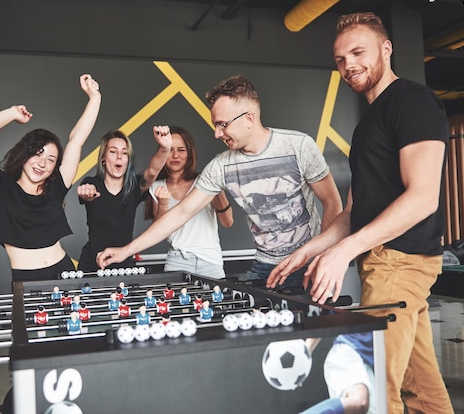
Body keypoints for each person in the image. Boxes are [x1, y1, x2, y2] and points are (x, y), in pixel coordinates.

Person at [267, 12, 453, 413]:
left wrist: (343, 252)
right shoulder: (367, 125)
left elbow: (423, 198)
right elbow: (354, 213)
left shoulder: (413, 101)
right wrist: (311, 251)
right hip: (384, 264)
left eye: (358, 52)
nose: (349, 64)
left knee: (374, 395)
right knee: (422, 392)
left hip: (399, 263)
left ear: (386, 49)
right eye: (340, 59)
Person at [96, 75, 342, 290]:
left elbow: (332, 202)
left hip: (308, 263)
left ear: (249, 118)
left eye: (222, 124)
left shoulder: (298, 145)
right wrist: (125, 250)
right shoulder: (221, 165)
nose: (217, 133)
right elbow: (180, 213)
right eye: (216, 125)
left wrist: (324, 256)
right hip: (264, 266)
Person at [0, 74, 101, 282]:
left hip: (65, 272)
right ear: (25, 153)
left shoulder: (57, 187)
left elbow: (77, 140)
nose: (42, 163)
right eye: (38, 153)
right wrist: (12, 113)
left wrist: (95, 97)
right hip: (27, 280)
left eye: (51, 159)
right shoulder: (0, 187)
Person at [76, 127, 172, 272]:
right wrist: (86, 193)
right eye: (113, 152)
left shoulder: (134, 186)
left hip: (124, 265)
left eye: (124, 153)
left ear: (128, 160)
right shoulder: (92, 183)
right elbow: (86, 192)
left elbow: (153, 171)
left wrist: (165, 148)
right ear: (103, 158)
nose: (119, 156)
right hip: (91, 265)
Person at [145, 126, 233, 278]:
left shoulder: (204, 181)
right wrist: (164, 204)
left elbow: (228, 222)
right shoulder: (157, 186)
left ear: (190, 153)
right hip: (177, 261)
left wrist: (218, 190)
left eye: (181, 150)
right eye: (170, 150)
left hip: (211, 261)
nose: (175, 155)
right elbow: (158, 232)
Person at [301, 333, 375, 414]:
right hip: (348, 352)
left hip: (373, 366)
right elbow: (322, 321)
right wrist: (306, 351)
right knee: (358, 401)